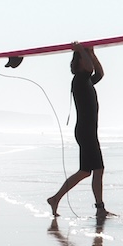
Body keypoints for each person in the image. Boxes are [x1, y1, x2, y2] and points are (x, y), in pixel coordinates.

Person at [48, 42, 113, 218]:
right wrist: (80, 51)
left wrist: (90, 53)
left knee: (88, 171)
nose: (88, 64)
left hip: (87, 132)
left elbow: (99, 73)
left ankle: (56, 199)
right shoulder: (79, 80)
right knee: (94, 170)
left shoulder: (86, 81)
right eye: (85, 61)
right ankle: (99, 209)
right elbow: (91, 69)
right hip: (86, 132)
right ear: (78, 63)